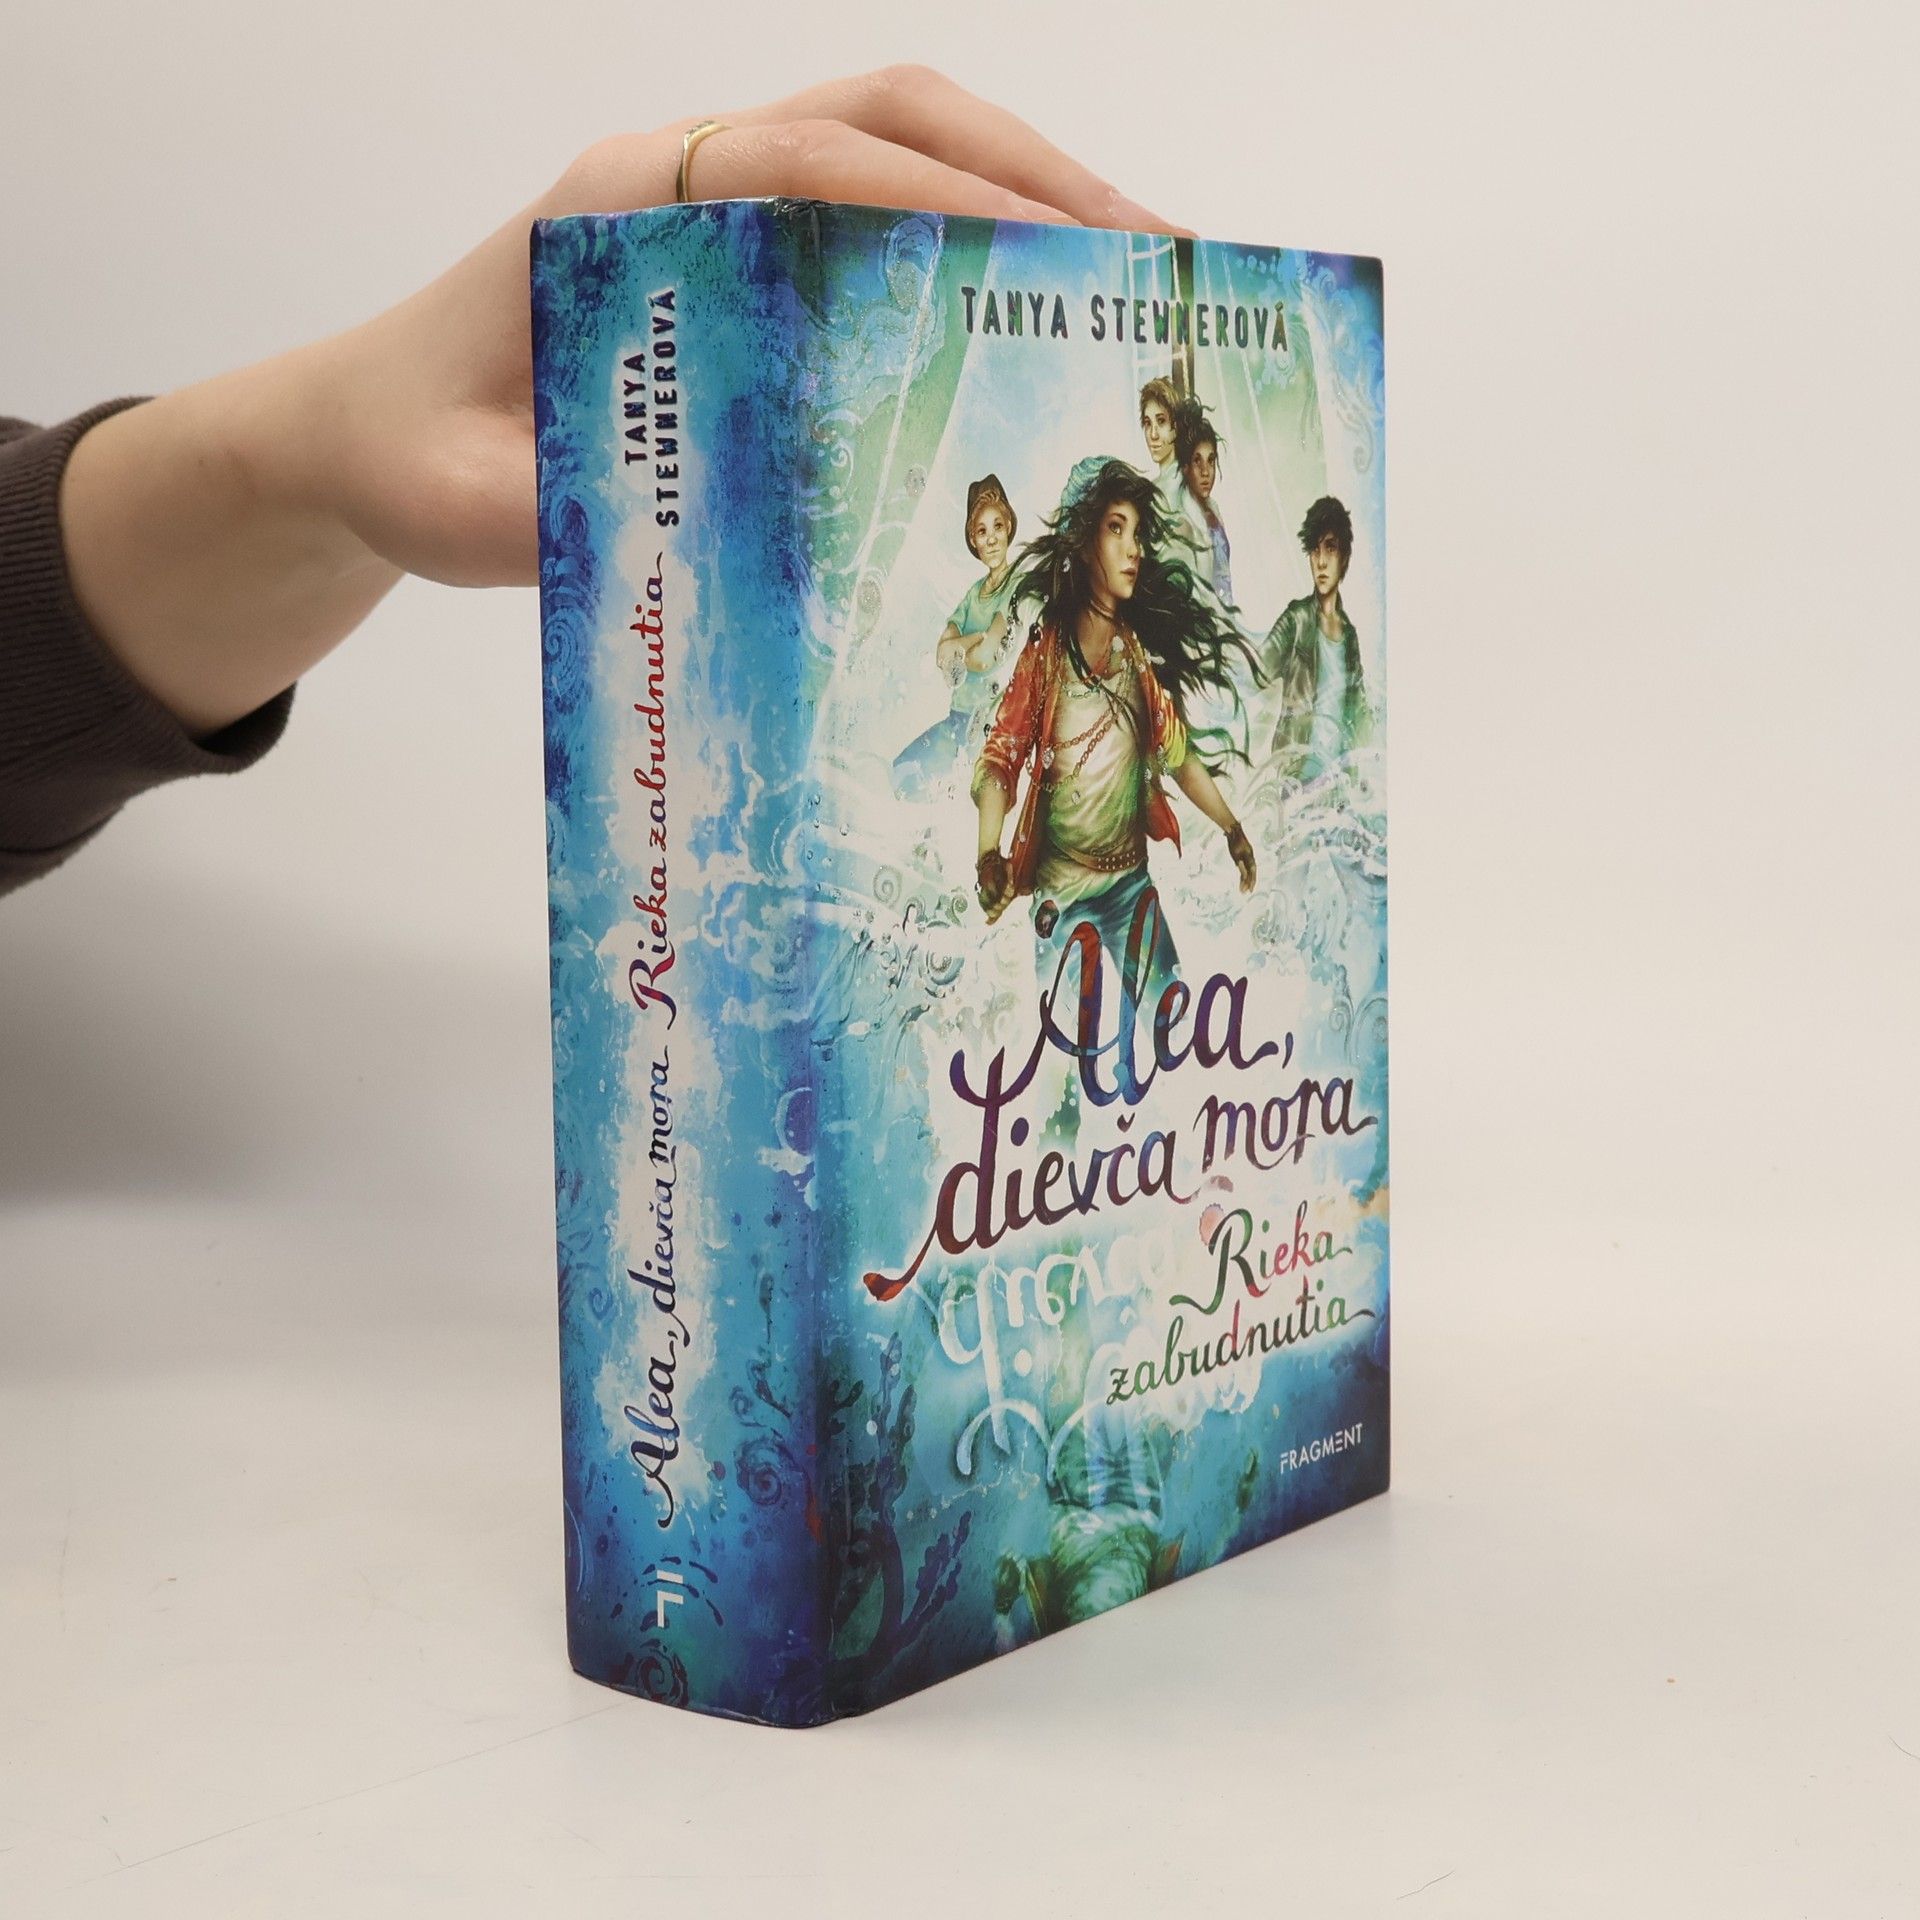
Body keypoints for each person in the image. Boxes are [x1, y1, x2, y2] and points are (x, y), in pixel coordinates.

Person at [0, 67, 1185, 899]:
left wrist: (303, 460)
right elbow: (986, 722)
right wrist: (311, 452)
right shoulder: (1013, 631)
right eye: (991, 525)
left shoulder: (1114, 651)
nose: (1002, 537)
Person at [971, 455, 1258, 1017]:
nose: (1134, 549)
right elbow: (1001, 755)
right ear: (1084, 543)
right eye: (1116, 529)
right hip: (1062, 897)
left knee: (1172, 1027)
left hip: (1131, 889)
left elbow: (1179, 755)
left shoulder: (1136, 657)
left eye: (1137, 533)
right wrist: (987, 854)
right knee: (1067, 1059)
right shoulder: (1047, 653)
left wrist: (1232, 828)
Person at [891, 475, 1019, 800]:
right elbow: (943, 654)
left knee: (948, 795)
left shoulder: (1017, 585)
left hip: (992, 726)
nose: (991, 539)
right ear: (973, 540)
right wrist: (978, 636)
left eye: (998, 526)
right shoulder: (974, 593)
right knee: (902, 774)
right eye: (982, 531)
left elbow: (983, 659)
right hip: (959, 719)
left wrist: (963, 644)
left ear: (1008, 527)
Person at [1264, 494, 1371, 780]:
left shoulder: (1350, 637)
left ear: (1344, 556)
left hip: (1337, 783)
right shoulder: (1296, 619)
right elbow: (1256, 671)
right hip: (1297, 778)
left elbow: (1359, 712)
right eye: (1314, 550)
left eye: (1330, 549)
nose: (1321, 562)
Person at [1174, 398, 1232, 606]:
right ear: (1185, 467)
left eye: (1211, 460)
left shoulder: (1214, 509)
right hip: (1203, 619)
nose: (1206, 472)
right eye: (1197, 461)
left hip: (1225, 613)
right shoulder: (1182, 522)